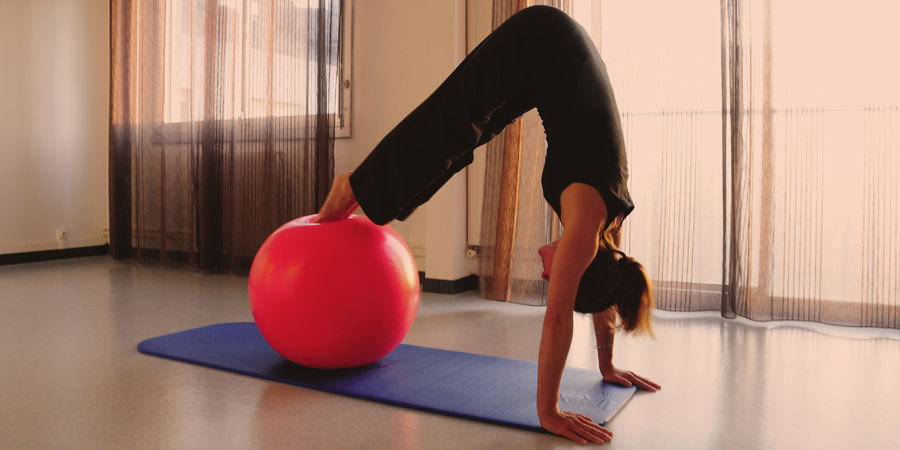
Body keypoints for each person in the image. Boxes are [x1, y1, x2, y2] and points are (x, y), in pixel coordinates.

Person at [315, 5, 660, 445]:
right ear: (579, 264)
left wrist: (606, 366)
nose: (543, 272)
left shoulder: (605, 228)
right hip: (542, 41)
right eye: (552, 276)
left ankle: (377, 194)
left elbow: (603, 289)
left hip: (552, 57)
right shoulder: (585, 224)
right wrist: (548, 411)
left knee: (466, 136)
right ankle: (355, 187)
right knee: (452, 116)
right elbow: (558, 320)